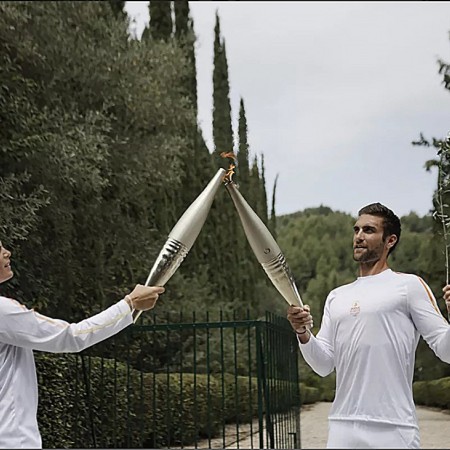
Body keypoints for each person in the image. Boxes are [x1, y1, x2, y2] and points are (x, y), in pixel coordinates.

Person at [287, 202, 450, 449]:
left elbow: (446, 350)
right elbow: (323, 365)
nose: (359, 237)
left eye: (369, 230)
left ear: (390, 240)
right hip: (342, 427)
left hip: (394, 429)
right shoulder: (336, 296)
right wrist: (303, 332)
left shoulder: (409, 286)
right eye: (356, 230)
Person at [0, 239, 165, 449]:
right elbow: (72, 336)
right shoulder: (2, 310)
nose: (8, 253)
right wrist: (129, 304)